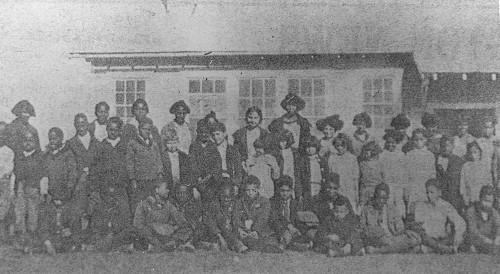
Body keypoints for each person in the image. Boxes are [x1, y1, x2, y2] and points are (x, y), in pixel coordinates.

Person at [87, 117, 131, 250]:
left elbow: (127, 167)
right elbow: (95, 169)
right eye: (110, 129)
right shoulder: (101, 146)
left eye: (116, 130)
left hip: (120, 187)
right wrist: (98, 186)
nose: (113, 132)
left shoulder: (124, 146)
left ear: (120, 131)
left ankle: (121, 242)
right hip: (104, 187)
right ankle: (103, 242)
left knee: (123, 212)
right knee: (103, 215)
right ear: (107, 130)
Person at [360, 183, 421, 254]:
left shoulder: (392, 209)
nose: (381, 201)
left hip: (393, 238)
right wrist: (377, 233)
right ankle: (400, 248)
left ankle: (376, 250)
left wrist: (406, 232)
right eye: (379, 197)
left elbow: (399, 229)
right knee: (388, 241)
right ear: (375, 196)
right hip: (378, 239)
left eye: (384, 198)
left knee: (415, 239)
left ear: (387, 198)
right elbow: (362, 228)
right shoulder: (367, 210)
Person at [408, 179, 466, 254]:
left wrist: (458, 234)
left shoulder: (445, 205)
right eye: (427, 192)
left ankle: (437, 248)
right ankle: (440, 249)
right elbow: (418, 225)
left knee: (456, 237)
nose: (429, 195)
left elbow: (459, 221)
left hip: (441, 239)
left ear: (439, 193)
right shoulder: (421, 205)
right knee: (419, 235)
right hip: (426, 239)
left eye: (432, 192)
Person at [133, 180, 193, 252]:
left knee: (188, 230)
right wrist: (154, 227)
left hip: (166, 234)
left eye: (168, 189)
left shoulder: (168, 204)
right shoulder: (144, 204)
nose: (168, 191)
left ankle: (170, 244)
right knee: (143, 232)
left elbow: (180, 219)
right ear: (157, 190)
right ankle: (164, 246)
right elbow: (138, 224)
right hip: (152, 235)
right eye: (166, 188)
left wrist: (175, 227)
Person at [44, 127, 81, 240]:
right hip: (52, 192)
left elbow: (73, 173)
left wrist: (69, 189)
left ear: (61, 139)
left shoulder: (68, 154)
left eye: (55, 138)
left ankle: (70, 240)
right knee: (52, 217)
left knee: (66, 217)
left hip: (64, 192)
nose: (52, 141)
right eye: (50, 139)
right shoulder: (47, 155)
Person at [67, 114, 100, 228]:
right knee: (78, 210)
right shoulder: (70, 143)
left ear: (87, 124)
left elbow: (99, 161)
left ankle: (92, 239)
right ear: (75, 125)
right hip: (79, 182)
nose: (81, 126)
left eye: (83, 123)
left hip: (94, 181)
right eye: (78, 124)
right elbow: (70, 165)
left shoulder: (95, 142)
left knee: (94, 208)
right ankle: (78, 240)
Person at [233, 175, 282, 253]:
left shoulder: (264, 201)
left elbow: (263, 218)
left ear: (258, 189)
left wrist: (257, 231)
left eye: (253, 190)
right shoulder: (240, 202)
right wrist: (239, 230)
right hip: (244, 232)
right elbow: (236, 217)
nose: (250, 193)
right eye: (247, 190)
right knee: (237, 239)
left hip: (261, 232)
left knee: (270, 242)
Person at [13, 128, 47, 236]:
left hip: (33, 189)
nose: (27, 143)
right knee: (19, 215)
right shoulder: (19, 156)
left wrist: (42, 192)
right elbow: (15, 174)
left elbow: (43, 176)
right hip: (20, 189)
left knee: (33, 215)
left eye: (30, 140)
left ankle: (31, 242)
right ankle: (21, 239)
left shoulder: (39, 156)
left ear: (35, 142)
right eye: (25, 140)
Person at [126, 117, 164, 215]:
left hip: (152, 180)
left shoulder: (154, 144)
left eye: (149, 129)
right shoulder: (133, 143)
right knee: (139, 205)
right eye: (144, 129)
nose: (147, 131)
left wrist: (159, 174)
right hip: (140, 181)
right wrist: (132, 179)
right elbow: (130, 163)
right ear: (139, 129)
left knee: (152, 204)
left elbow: (158, 160)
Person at [205, 179, 248, 253]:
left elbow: (236, 220)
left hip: (229, 233)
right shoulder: (214, 205)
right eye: (223, 197)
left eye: (229, 197)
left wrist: (239, 230)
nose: (226, 200)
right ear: (219, 196)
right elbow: (211, 223)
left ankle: (235, 244)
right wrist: (220, 238)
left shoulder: (234, 205)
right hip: (216, 233)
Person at [269, 176, 309, 251]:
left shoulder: (296, 203)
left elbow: (299, 220)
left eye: (287, 191)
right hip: (279, 229)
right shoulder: (273, 202)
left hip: (294, 230)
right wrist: (287, 226)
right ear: (278, 190)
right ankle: (286, 244)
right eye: (282, 191)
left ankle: (292, 244)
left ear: (291, 191)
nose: (285, 193)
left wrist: (297, 230)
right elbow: (274, 219)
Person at [205, 121, 242, 200]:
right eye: (213, 135)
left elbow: (238, 169)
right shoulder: (208, 150)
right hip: (215, 180)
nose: (215, 137)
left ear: (224, 134)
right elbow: (208, 168)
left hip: (229, 179)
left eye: (218, 134)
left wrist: (236, 185)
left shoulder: (233, 149)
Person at [405, 128, 436, 211]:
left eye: (421, 139)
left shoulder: (430, 155)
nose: (418, 142)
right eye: (416, 139)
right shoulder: (409, 154)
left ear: (426, 139)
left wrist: (432, 190)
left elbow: (432, 174)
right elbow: (406, 174)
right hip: (413, 188)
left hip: (425, 188)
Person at [327, 134, 359, 214]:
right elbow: (331, 175)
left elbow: (355, 177)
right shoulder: (332, 159)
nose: (340, 148)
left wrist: (356, 192)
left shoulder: (352, 158)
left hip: (349, 187)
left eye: (342, 146)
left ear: (346, 146)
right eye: (337, 146)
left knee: (351, 207)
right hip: (338, 188)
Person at [168, 183, 206, 250]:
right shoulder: (172, 205)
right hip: (174, 230)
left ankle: (184, 244)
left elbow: (193, 223)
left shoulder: (193, 206)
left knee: (190, 230)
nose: (181, 195)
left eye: (184, 193)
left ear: (188, 195)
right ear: (176, 194)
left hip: (189, 231)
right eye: (179, 193)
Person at [379, 129, 407, 218]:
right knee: (387, 204)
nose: (390, 144)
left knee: (399, 203)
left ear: (397, 142)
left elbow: (405, 171)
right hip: (387, 184)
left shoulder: (401, 155)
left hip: (398, 185)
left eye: (393, 142)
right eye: (388, 142)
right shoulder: (382, 154)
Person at [465, 185, 500, 255]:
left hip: (489, 240)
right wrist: (485, 240)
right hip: (475, 239)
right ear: (480, 198)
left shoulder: (494, 213)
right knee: (472, 247)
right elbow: (473, 230)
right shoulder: (472, 211)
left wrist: (497, 237)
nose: (487, 204)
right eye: (485, 201)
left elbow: (498, 226)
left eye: (490, 202)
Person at [436, 135, 465, 213]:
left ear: (453, 146)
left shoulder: (458, 161)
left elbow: (460, 181)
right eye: (443, 146)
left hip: (453, 196)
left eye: (448, 146)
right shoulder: (435, 159)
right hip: (440, 195)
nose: (445, 148)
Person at [460, 141, 493, 207]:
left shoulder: (484, 166)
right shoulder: (465, 166)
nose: (473, 155)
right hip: (470, 198)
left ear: (479, 152)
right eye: (471, 153)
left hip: (482, 199)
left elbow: (489, 183)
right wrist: (464, 196)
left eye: (475, 152)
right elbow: (462, 183)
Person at [270, 129, 300, 199]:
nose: (282, 144)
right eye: (280, 141)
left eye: (284, 141)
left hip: (292, 176)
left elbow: (297, 169)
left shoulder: (294, 152)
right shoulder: (275, 153)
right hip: (280, 178)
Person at [297, 135, 326, 207]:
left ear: (316, 147)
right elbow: (299, 177)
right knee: (308, 205)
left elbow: (325, 174)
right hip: (308, 187)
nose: (309, 149)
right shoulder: (302, 160)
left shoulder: (321, 160)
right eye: (307, 147)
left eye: (312, 147)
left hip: (319, 187)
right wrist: (299, 193)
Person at [0, 122, 15, 239]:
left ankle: (3, 234)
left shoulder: (8, 151)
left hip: (3, 182)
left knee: (4, 207)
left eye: (3, 133)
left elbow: (8, 168)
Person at [358, 141, 384, 208]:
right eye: (365, 151)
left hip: (376, 191)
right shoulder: (361, 164)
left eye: (369, 151)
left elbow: (384, 178)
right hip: (364, 190)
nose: (366, 153)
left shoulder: (380, 164)